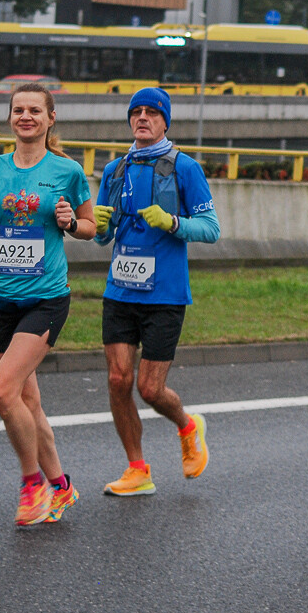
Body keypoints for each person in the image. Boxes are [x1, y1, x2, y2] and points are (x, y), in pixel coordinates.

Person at [0, 83, 96, 526]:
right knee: (28, 402)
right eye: (19, 110)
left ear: (51, 119)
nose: (26, 117)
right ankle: (62, 487)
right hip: (1, 299)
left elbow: (91, 226)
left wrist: (73, 223)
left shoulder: (67, 170)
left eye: (36, 110)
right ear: (10, 118)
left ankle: (32, 483)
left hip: (46, 299)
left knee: (1, 390)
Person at [91, 88, 220, 496]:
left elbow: (212, 229)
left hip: (164, 294)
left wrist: (172, 222)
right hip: (120, 290)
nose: (142, 118)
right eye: (136, 112)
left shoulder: (184, 167)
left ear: (165, 122)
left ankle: (187, 425)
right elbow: (101, 237)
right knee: (117, 380)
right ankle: (137, 469)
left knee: (149, 388)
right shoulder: (114, 170)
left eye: (152, 112)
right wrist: (97, 224)